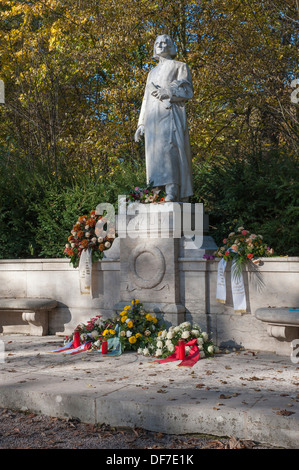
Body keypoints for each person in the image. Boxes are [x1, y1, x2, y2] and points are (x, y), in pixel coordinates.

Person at [134, 34, 193, 202]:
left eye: (164, 42)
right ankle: (156, 193)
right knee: (154, 156)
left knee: (170, 151)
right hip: (152, 119)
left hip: (169, 114)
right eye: (157, 43)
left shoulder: (179, 66)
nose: (161, 45)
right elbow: (146, 98)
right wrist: (141, 123)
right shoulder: (151, 73)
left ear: (170, 46)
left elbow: (187, 91)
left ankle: (172, 190)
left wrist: (168, 92)